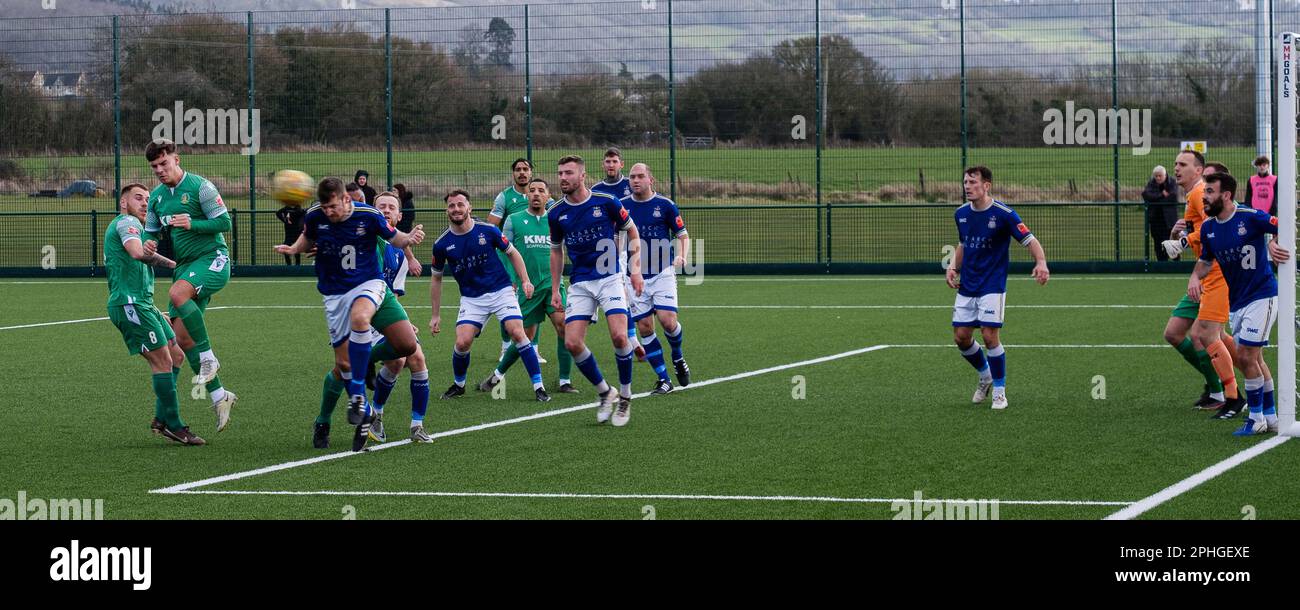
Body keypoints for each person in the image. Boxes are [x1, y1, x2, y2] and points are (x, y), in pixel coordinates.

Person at [276, 177, 425, 452]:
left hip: (371, 286)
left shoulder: (369, 217)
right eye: (325, 206)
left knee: (405, 345)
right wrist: (294, 248)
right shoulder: (315, 216)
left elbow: (396, 238)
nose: (329, 212)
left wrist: (410, 238)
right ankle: (326, 420)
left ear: (347, 200)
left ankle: (360, 383)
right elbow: (306, 238)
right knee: (342, 367)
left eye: (333, 206)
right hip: (335, 294)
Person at [143, 138, 237, 432]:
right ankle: (220, 395)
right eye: (154, 166)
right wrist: (149, 242)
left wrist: (192, 223)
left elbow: (225, 224)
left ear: (176, 159)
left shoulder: (200, 187)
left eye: (164, 163)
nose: (159, 169)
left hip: (212, 258)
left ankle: (210, 359)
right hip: (185, 267)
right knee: (182, 341)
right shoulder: (157, 198)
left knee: (176, 293)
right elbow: (152, 233)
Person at [1188, 172, 1291, 435]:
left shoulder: (1250, 217)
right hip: (1237, 302)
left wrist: (1275, 242)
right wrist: (1194, 277)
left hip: (1262, 295)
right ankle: (1271, 417)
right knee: (1254, 358)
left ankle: (1255, 418)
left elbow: (1287, 226)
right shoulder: (1210, 228)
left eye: (1210, 191)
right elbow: (1206, 261)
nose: (1205, 196)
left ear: (1226, 195)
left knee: (1245, 355)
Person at [428, 189, 551, 403]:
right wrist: (435, 315)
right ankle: (459, 385)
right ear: (446, 210)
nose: (456, 209)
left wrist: (525, 280)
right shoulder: (441, 244)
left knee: (517, 333)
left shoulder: (489, 231)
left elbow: (512, 252)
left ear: (469, 207)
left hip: (501, 290)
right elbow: (436, 279)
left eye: (460, 204)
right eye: (451, 205)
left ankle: (538, 387)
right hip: (472, 298)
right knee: (462, 342)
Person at [549, 155, 645, 426]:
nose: (563, 178)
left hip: (610, 277)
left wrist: (635, 270)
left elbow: (633, 232)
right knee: (571, 342)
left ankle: (625, 396)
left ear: (582, 176)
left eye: (568, 173)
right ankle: (605, 392)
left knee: (618, 336)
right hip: (580, 282)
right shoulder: (556, 213)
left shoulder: (606, 202)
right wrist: (556, 289)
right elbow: (556, 251)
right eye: (560, 173)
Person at [945, 166, 1050, 410]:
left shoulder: (1004, 214)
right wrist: (953, 266)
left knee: (990, 336)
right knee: (961, 338)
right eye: (965, 182)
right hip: (968, 284)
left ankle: (1000, 392)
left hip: (992, 285)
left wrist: (1041, 262)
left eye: (972, 182)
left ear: (986, 185)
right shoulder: (960, 214)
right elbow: (963, 244)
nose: (967, 186)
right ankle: (985, 376)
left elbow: (1030, 240)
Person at [106, 183, 202, 445]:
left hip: (145, 305)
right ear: (124, 203)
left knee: (177, 355)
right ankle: (175, 425)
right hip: (130, 305)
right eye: (138, 198)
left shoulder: (137, 226)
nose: (145, 203)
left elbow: (145, 254)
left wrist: (172, 264)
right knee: (162, 362)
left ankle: (161, 419)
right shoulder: (127, 223)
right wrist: (167, 261)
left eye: (148, 199)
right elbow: (137, 252)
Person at [479, 178, 578, 394]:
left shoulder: (556, 219)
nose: (535, 194)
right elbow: (503, 251)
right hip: (528, 288)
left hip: (553, 286)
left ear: (547, 196)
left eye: (541, 190)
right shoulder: (514, 220)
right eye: (532, 190)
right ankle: (497, 375)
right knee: (525, 337)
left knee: (564, 327)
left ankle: (564, 381)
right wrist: (511, 279)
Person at [1159, 150, 1236, 415]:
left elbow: (1213, 231)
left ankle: (1237, 389)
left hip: (1212, 276)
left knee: (1203, 336)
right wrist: (1179, 234)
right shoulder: (1193, 196)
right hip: (1206, 275)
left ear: (1199, 170)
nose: (1176, 168)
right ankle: (1219, 389)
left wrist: (1195, 273)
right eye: (1175, 164)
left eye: (1183, 164)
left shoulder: (1198, 193)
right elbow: (1203, 233)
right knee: (1176, 333)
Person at [365, 191, 432, 444]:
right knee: (399, 360)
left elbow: (392, 294)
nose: (386, 210)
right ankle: (376, 415)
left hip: (385, 312)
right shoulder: (369, 239)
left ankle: (416, 425)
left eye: (391, 207)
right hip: (363, 315)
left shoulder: (401, 255)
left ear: (399, 215)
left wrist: (404, 320)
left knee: (414, 358)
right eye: (380, 206)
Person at [622, 162, 691, 394]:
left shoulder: (665, 205)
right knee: (644, 327)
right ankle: (663, 379)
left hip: (662, 272)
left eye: (640, 176)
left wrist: (681, 256)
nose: (635, 180)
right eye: (632, 177)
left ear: (650, 179)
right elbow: (613, 238)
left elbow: (682, 235)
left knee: (668, 321)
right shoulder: (621, 207)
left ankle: (678, 356)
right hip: (634, 275)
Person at [1142, 165, 1179, 262]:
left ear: (1165, 175)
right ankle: (1162, 263)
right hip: (1155, 219)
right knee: (1158, 243)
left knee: (1172, 242)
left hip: (1169, 220)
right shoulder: (1151, 183)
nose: (1158, 178)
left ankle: (1176, 263)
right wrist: (1162, 195)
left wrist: (1156, 200)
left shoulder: (1172, 182)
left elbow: (1173, 197)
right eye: (1156, 176)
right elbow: (1146, 195)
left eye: (1160, 176)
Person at [276, 201, 306, 265]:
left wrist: (289, 213)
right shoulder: (286, 208)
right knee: (285, 248)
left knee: (296, 250)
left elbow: (301, 213)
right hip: (288, 233)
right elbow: (278, 213)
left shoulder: (298, 209)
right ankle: (289, 265)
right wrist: (284, 220)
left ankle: (297, 265)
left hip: (297, 232)